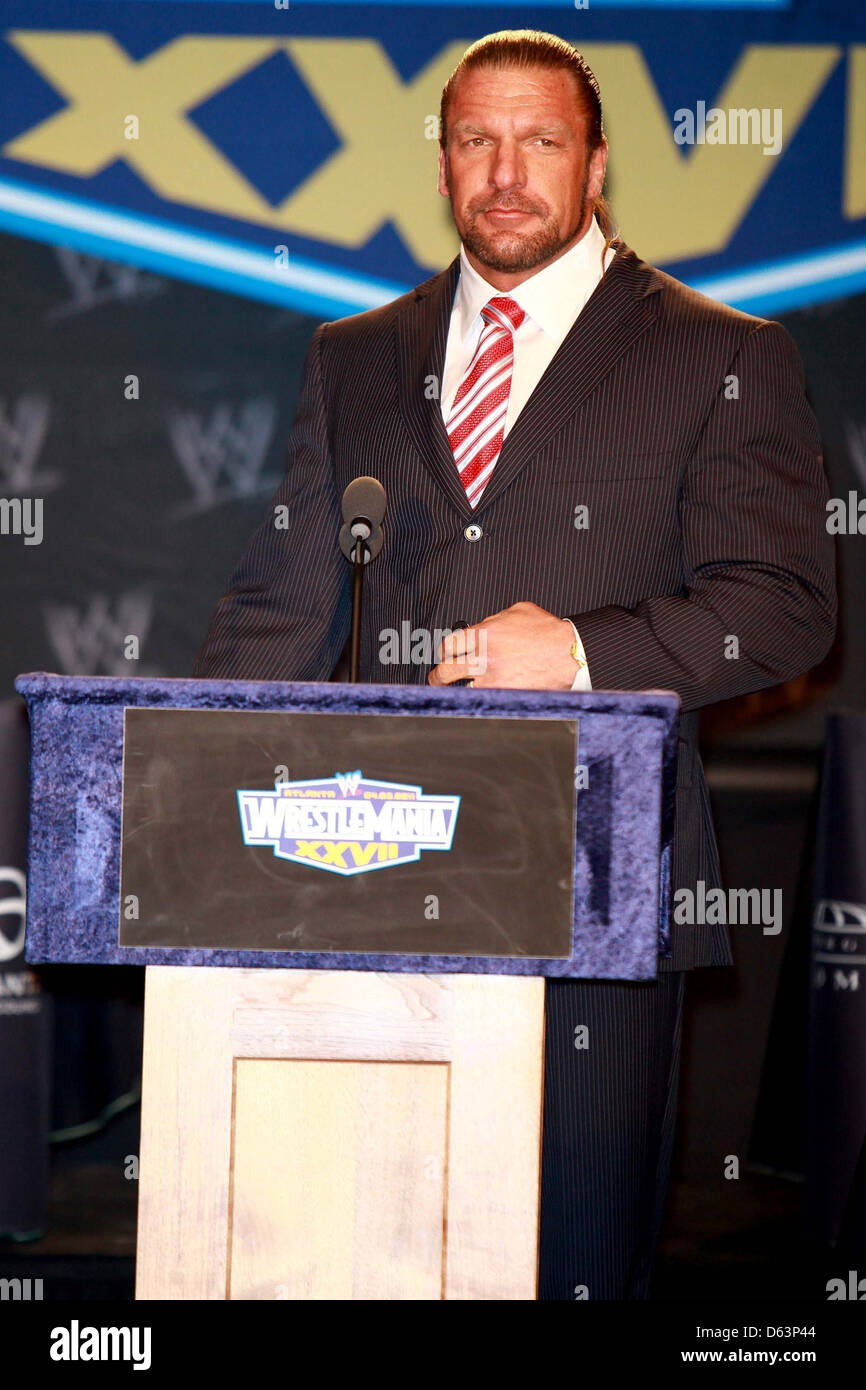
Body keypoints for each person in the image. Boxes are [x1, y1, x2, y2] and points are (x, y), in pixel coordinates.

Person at [193, 29, 836, 1298]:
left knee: (569, 1261)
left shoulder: (720, 354)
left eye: (539, 142)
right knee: (366, 1256)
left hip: (589, 889)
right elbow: (282, 611)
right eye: (475, 141)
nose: (505, 171)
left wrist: (586, 651)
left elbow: (783, 610)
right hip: (360, 874)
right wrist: (205, 814)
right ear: (440, 167)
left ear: (594, 167)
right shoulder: (354, 353)